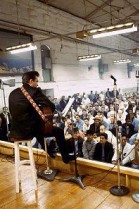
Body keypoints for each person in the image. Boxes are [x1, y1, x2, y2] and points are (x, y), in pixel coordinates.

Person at [9, 71, 74, 164]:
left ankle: (50, 151)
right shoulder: (35, 91)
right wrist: (40, 105)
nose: (37, 84)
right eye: (36, 81)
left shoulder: (13, 93)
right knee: (59, 131)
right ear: (31, 81)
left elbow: (18, 111)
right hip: (29, 131)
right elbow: (51, 106)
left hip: (16, 130)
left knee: (39, 126)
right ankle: (66, 158)